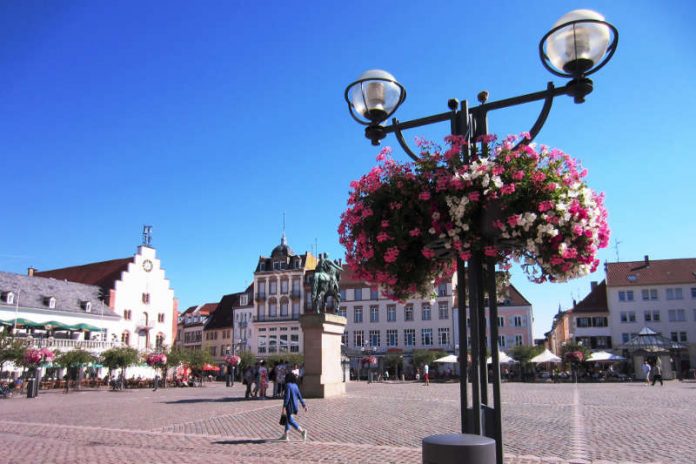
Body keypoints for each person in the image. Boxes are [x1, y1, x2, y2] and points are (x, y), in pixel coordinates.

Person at [279, 372, 308, 442]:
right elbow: (299, 396)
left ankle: (302, 431)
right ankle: (286, 435)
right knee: (287, 419)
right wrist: (304, 405)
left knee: (290, 420)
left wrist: (284, 406)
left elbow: (287, 397)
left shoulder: (287, 385)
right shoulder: (295, 385)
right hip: (295, 405)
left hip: (289, 405)